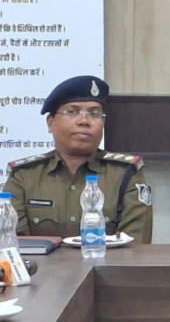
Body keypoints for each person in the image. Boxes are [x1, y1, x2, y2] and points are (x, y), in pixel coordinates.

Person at [4, 76, 153, 242]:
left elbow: (135, 245)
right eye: (72, 111)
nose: (84, 121)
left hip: (104, 260)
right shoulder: (24, 176)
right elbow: (11, 243)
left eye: (94, 113)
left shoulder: (125, 174)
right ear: (50, 123)